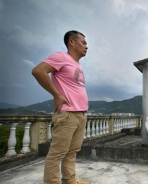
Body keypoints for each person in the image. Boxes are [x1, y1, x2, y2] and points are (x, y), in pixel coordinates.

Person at [32, 30, 89, 184]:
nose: (86, 46)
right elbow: (38, 71)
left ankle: (70, 180)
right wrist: (57, 95)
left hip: (81, 114)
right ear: (72, 42)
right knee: (57, 154)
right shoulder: (60, 57)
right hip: (67, 114)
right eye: (83, 42)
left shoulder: (77, 64)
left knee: (72, 152)